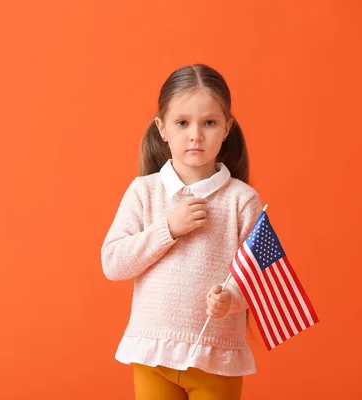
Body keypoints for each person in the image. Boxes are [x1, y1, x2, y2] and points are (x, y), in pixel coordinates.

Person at [100, 64, 263, 400]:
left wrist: (231, 299)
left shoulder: (241, 200)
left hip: (214, 356)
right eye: (182, 122)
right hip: (153, 351)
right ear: (162, 128)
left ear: (227, 128)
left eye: (209, 123)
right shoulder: (144, 191)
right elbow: (113, 262)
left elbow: (259, 277)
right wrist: (167, 229)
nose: (195, 135)